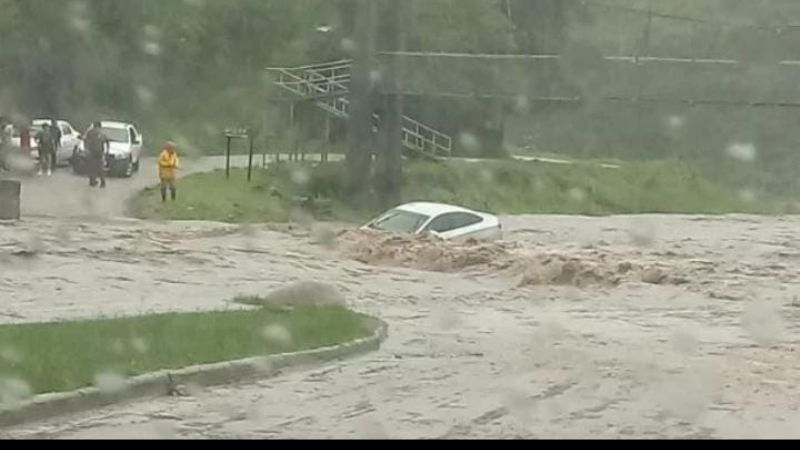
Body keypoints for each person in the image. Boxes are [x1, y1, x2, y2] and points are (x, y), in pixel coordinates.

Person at [84, 121, 108, 188]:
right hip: (99, 152)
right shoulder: (102, 133)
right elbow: (106, 142)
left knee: (92, 167)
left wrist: (86, 149)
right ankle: (102, 182)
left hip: (92, 152)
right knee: (100, 168)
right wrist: (106, 151)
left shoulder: (90, 132)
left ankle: (92, 181)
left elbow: (86, 141)